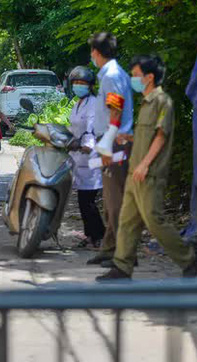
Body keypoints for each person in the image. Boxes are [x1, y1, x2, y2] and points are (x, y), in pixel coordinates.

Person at [97, 55, 197, 281]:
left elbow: (160, 136)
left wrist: (145, 164)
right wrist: (129, 138)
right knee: (127, 221)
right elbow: (147, 136)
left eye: (136, 75)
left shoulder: (162, 101)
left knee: (154, 220)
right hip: (134, 172)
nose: (133, 79)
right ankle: (122, 266)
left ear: (149, 77)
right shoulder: (145, 103)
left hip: (149, 173)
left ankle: (190, 259)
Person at [85, 32, 135, 266]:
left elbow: (116, 110)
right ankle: (109, 247)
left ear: (96, 52)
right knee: (109, 199)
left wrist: (106, 142)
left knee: (115, 201)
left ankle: (123, 254)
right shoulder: (112, 74)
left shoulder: (111, 76)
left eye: (92, 51)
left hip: (114, 142)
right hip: (112, 141)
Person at [67, 66, 105, 248]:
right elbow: (72, 128)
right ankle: (90, 234)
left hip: (92, 157)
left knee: (88, 200)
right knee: (82, 200)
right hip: (78, 158)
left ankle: (99, 236)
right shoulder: (77, 104)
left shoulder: (94, 104)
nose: (78, 86)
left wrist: (86, 145)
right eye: (76, 83)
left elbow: (91, 128)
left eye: (82, 83)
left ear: (90, 85)